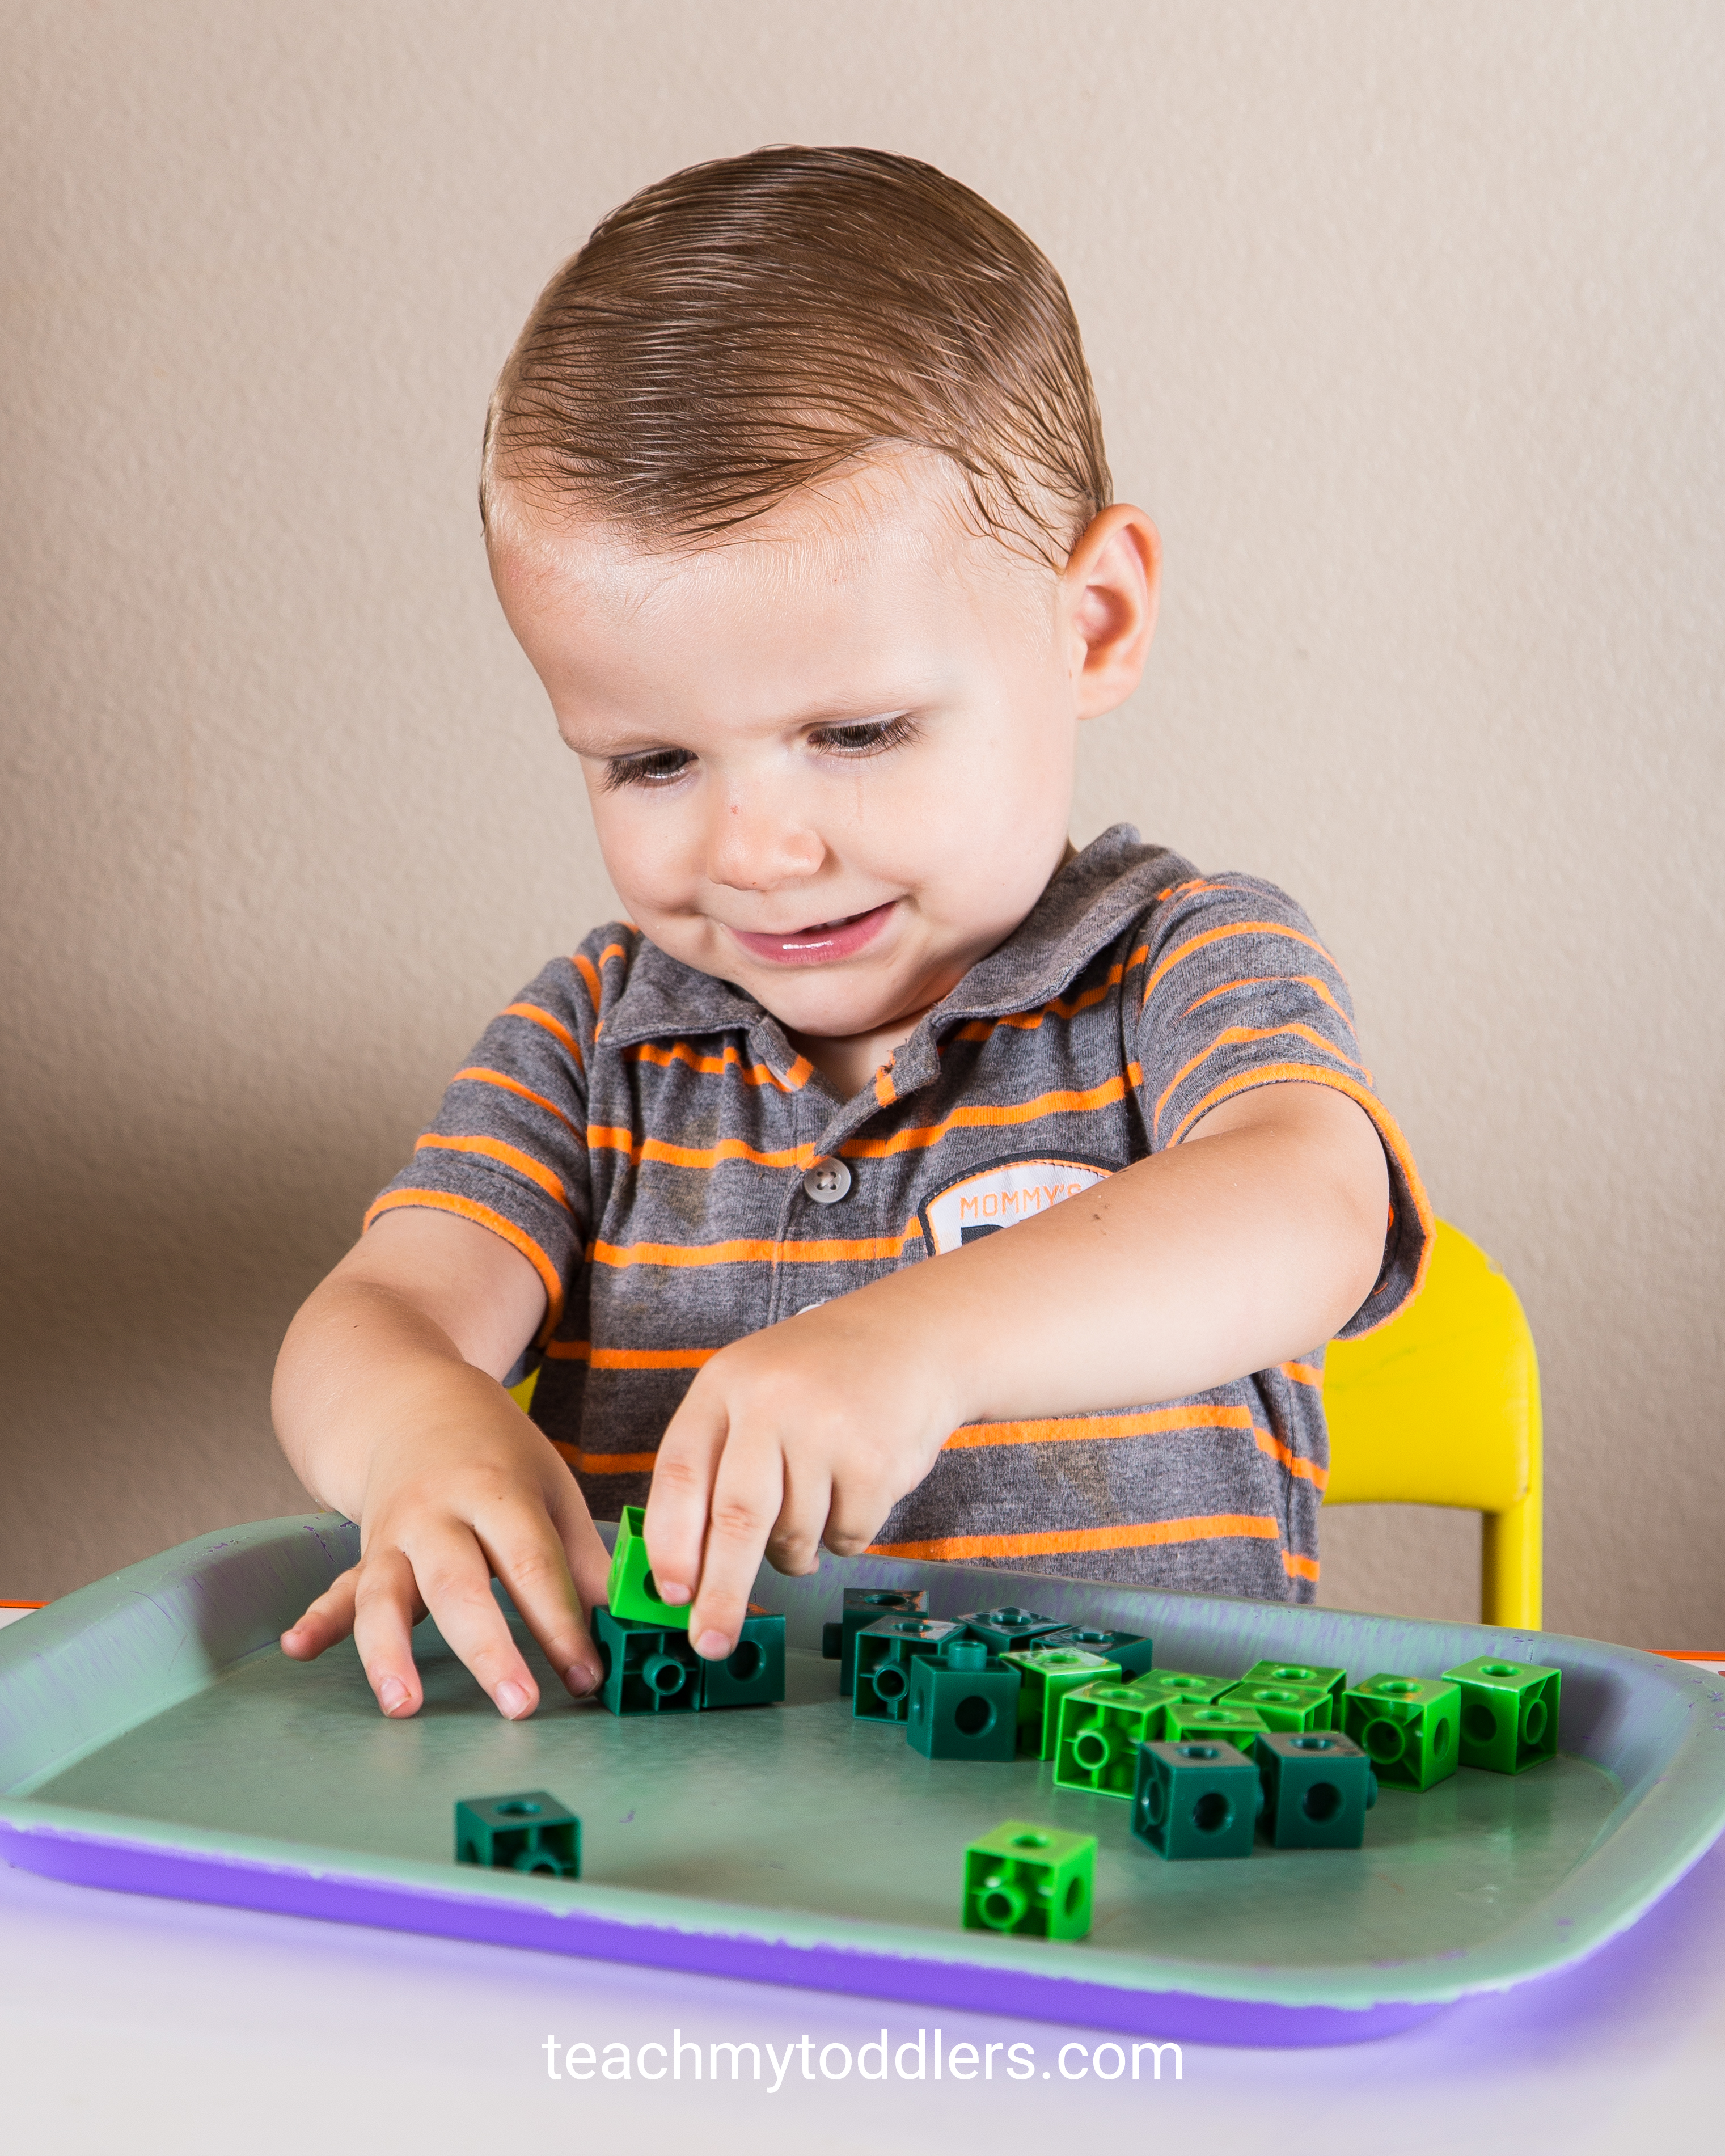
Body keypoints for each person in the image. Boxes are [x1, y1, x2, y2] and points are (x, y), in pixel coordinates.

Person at [273, 146, 1429, 1722]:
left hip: (1128, 1865)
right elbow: (378, 1313)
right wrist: (417, 1429)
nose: (759, 848)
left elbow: (1308, 1209)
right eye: (651, 761)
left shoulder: (1172, 961)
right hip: (690, 1865)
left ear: (1092, 622)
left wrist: (914, 1349)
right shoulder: (595, 1036)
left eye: (860, 730)